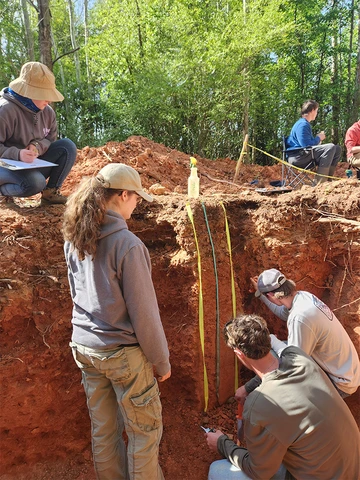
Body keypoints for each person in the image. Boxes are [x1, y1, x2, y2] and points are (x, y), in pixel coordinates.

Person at [62, 163, 171, 480]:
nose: (137, 203)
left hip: (84, 347)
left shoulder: (75, 237)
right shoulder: (128, 245)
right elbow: (145, 314)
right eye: (136, 197)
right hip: (121, 353)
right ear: (122, 195)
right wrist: (161, 362)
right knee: (144, 431)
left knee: (104, 430)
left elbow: (75, 293)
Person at [206, 314, 360, 480]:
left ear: (239, 353)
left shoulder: (260, 403)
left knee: (217, 471)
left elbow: (258, 471)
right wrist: (248, 387)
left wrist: (221, 443)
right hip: (351, 470)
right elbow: (273, 367)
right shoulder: (298, 357)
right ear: (267, 339)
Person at [237, 268, 360, 405]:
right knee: (278, 348)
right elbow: (282, 312)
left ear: (271, 295)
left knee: (276, 363)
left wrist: (272, 340)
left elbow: (293, 364)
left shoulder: (300, 317)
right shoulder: (303, 297)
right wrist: (260, 295)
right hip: (347, 370)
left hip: (339, 383)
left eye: (267, 296)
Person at [0, 61, 76, 204]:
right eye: (44, 94)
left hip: (30, 165)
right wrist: (18, 154)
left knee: (67, 146)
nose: (49, 100)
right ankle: (3, 192)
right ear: (28, 92)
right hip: (5, 167)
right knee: (35, 183)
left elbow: (50, 139)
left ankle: (51, 192)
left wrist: (37, 146)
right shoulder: (5, 110)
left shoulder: (48, 112)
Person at [285, 99, 341, 183]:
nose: (317, 113)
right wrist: (319, 138)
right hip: (298, 157)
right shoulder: (302, 124)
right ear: (312, 110)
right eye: (316, 111)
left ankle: (328, 179)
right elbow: (306, 145)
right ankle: (320, 182)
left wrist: (318, 140)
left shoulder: (305, 124)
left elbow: (308, 144)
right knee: (330, 147)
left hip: (304, 154)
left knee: (337, 149)